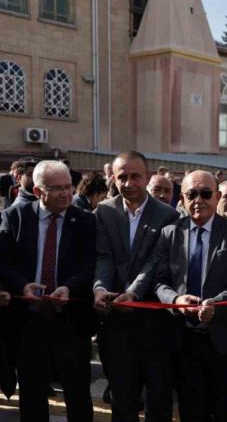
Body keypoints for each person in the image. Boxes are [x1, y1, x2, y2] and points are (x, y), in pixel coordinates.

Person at [128, 170, 227, 422]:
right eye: (191, 194)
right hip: (183, 340)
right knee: (192, 410)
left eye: (206, 193)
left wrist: (219, 303)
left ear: (216, 197)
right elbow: (160, 282)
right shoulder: (170, 233)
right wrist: (176, 300)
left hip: (224, 339)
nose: (199, 200)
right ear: (181, 198)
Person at [0, 160, 96, 421]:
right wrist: (22, 285)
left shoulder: (86, 221)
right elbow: (4, 262)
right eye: (57, 189)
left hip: (70, 322)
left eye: (69, 187)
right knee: (31, 394)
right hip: (28, 321)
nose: (66, 194)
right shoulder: (15, 217)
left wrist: (69, 287)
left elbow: (91, 265)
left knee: (77, 394)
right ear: (39, 191)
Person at [93, 151, 179, 422]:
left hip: (154, 320)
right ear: (113, 179)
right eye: (122, 177)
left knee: (158, 394)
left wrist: (134, 292)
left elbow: (156, 262)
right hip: (115, 320)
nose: (129, 183)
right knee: (121, 395)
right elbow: (103, 256)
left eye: (135, 177)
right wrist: (99, 288)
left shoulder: (167, 214)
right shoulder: (104, 211)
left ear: (147, 176)